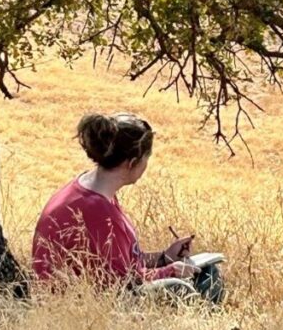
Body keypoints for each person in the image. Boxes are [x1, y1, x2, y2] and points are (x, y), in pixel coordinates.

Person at [31, 112, 224, 303]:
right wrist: (171, 271)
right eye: (146, 159)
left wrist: (165, 257)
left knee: (207, 272)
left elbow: (122, 265)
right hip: (81, 303)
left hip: (93, 291)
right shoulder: (99, 212)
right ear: (132, 163)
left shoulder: (91, 188)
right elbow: (124, 283)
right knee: (181, 286)